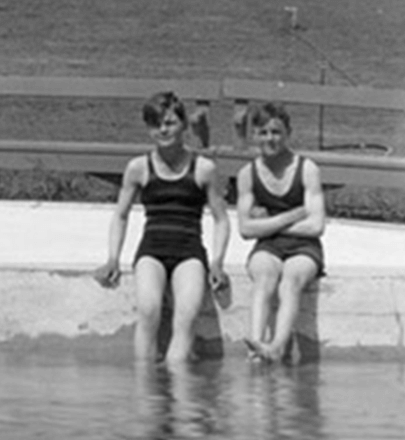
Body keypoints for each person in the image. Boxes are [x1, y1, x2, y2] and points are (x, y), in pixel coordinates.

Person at [94, 91, 231, 366]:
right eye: (156, 124)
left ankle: (176, 380)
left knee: (187, 313)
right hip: (152, 250)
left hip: (189, 251)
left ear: (183, 125)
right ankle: (147, 385)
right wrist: (113, 257)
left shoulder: (204, 169)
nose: (163, 130)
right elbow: (120, 215)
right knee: (148, 309)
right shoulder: (138, 168)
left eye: (170, 123)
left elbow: (221, 219)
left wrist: (217, 262)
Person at [236, 102, 327, 363]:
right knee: (264, 276)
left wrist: (268, 222)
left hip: (304, 246)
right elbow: (245, 229)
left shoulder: (307, 169)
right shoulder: (247, 174)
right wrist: (292, 215)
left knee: (291, 280)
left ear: (288, 132)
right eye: (263, 132)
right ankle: (255, 347)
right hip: (269, 246)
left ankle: (276, 346)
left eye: (276, 132)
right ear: (253, 135)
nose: (270, 139)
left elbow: (315, 226)